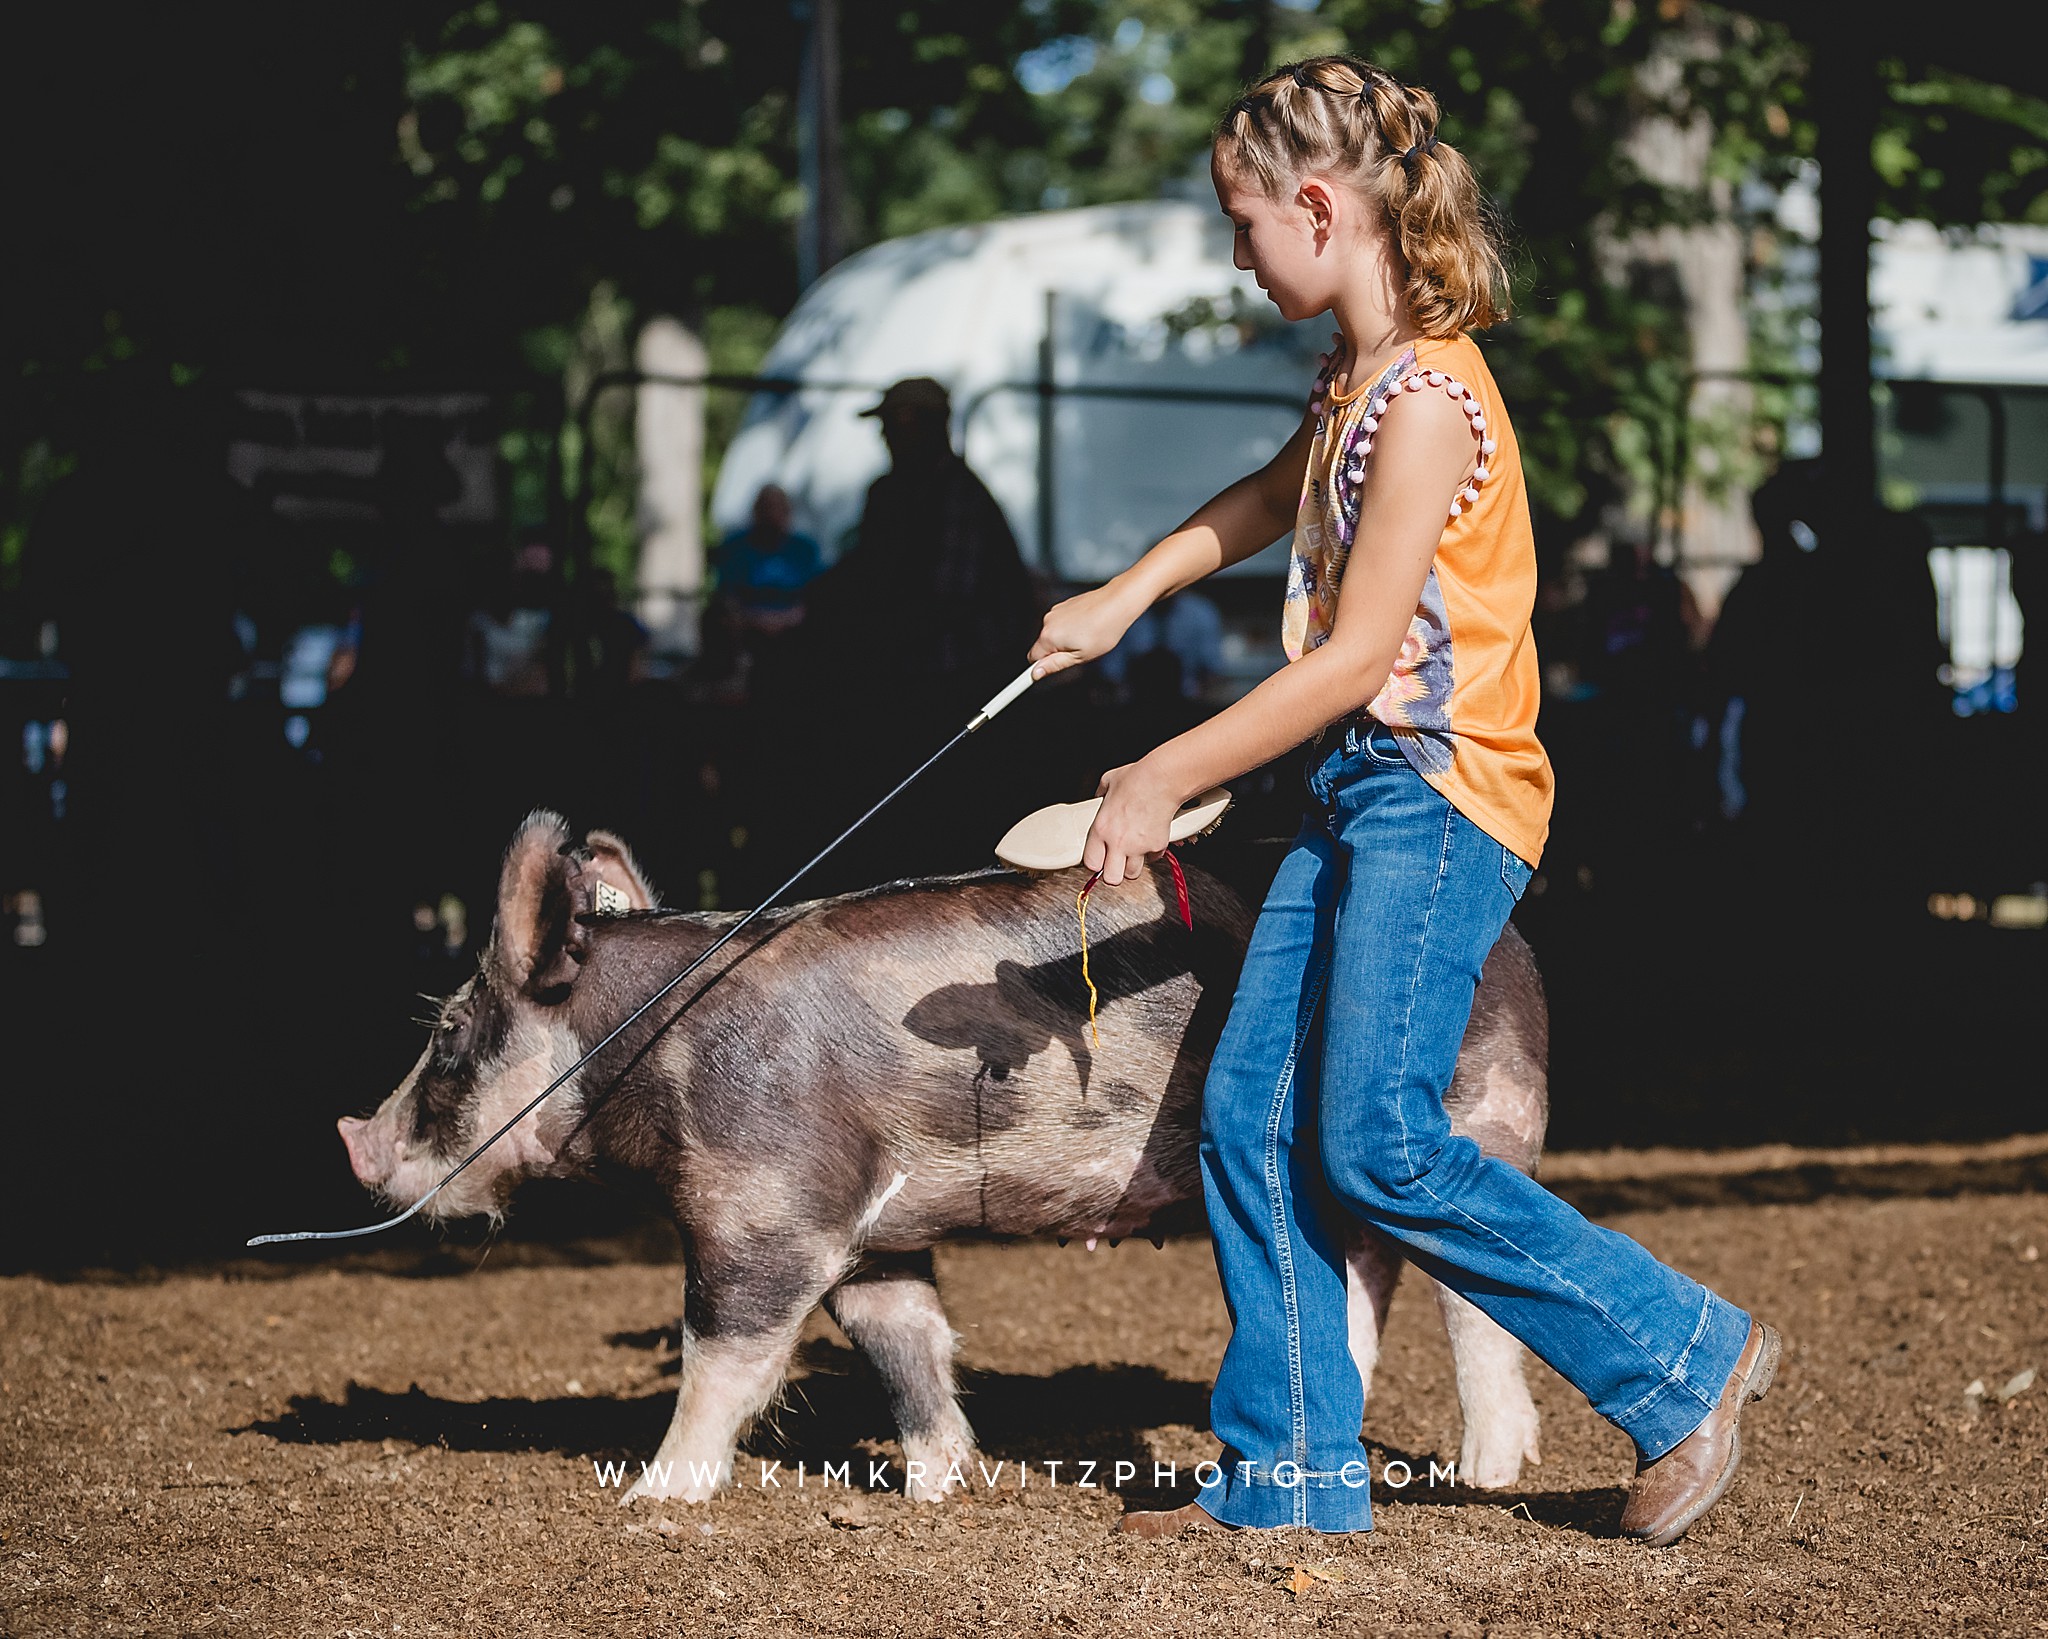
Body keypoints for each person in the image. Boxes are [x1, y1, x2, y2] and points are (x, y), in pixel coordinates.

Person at [1027, 54, 1780, 1544]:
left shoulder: (1432, 398)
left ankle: (1685, 1356)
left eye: (1245, 226)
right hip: (1361, 793)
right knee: (1250, 1113)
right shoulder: (1358, 382)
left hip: (1442, 797)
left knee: (1372, 1133)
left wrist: (1167, 771)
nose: (1240, 257)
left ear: (1317, 208)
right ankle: (1289, 1475)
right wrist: (1123, 594)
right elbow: (1267, 498)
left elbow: (1361, 653)